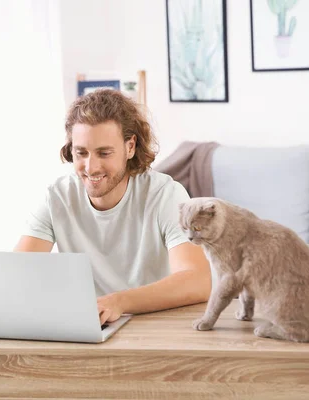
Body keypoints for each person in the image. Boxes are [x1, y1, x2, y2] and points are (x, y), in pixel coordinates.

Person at [14, 89, 211, 325]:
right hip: (90, 327)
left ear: (130, 147)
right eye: (81, 153)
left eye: (104, 153)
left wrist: (119, 302)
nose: (91, 167)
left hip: (153, 325)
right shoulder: (57, 196)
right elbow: (17, 274)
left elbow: (199, 280)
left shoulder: (165, 195)